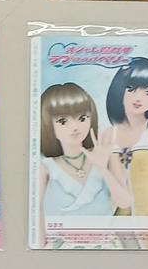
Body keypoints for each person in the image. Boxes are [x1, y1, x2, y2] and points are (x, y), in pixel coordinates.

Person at [37, 83, 131, 246]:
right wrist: (40, 248)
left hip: (106, 247)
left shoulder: (107, 154)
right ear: (47, 125)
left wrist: (102, 167)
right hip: (62, 248)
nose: (75, 127)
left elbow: (125, 203)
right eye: (63, 121)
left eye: (82, 118)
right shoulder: (45, 167)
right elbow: (36, 213)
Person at [105, 57, 148, 248]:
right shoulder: (106, 134)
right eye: (131, 88)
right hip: (116, 232)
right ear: (119, 89)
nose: (138, 98)